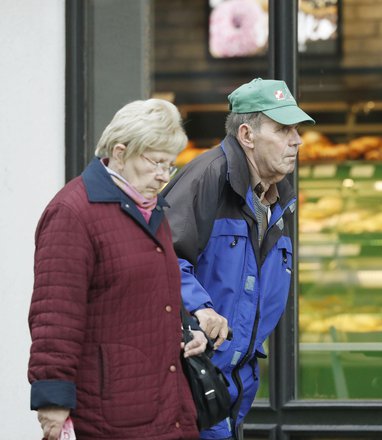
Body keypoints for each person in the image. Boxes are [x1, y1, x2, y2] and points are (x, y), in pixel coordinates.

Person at [28, 99, 209, 440]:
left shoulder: (151, 208)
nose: (162, 176)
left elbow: (153, 292)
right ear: (120, 152)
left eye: (169, 165)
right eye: (155, 162)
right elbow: (55, 313)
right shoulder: (72, 212)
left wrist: (188, 328)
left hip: (166, 405)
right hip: (110, 412)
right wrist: (52, 398)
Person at [161, 78, 314, 439]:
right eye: (283, 129)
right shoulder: (207, 177)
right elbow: (162, 258)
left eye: (296, 130)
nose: (297, 140)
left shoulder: (277, 196)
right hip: (196, 378)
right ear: (247, 135)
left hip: (235, 382)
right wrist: (202, 308)